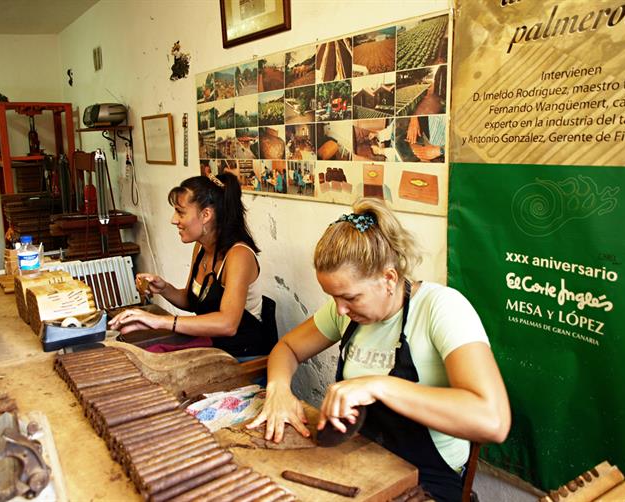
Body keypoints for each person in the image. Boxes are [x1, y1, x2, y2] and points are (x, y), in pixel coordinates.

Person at [248, 198, 510, 501]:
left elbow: (493, 422)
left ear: (389, 278)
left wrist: (379, 386)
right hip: (363, 459)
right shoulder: (344, 311)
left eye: (350, 298)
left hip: (427, 481)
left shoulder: (442, 309)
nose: (340, 310)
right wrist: (279, 388)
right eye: (333, 298)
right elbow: (288, 348)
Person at [109, 172, 269, 358]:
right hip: (213, 345)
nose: (173, 220)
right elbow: (192, 301)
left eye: (181, 212)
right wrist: (164, 288)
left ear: (206, 215)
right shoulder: (201, 247)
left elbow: (228, 324)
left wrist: (158, 321)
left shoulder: (239, 256)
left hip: (242, 355)